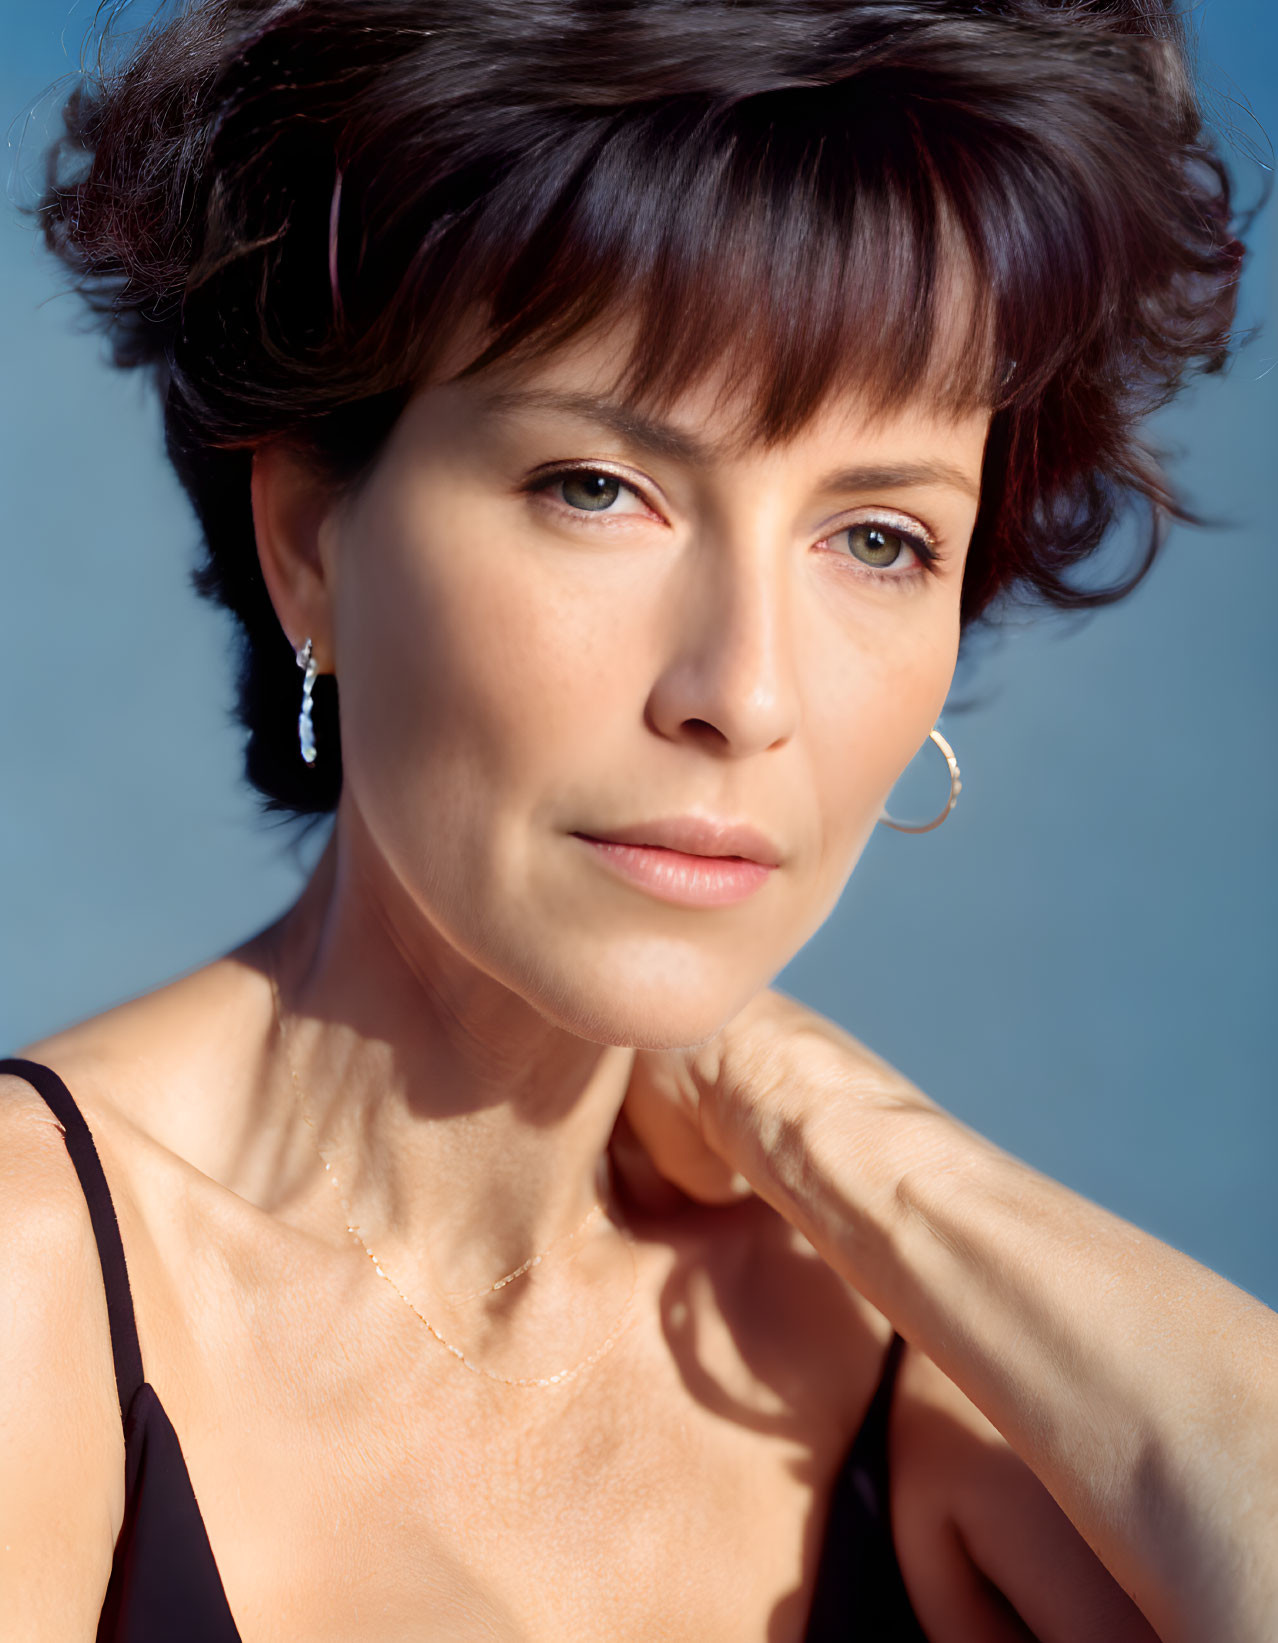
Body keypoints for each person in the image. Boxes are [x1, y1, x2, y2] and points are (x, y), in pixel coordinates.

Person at [3, 1, 1275, 1638]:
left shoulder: (910, 1340)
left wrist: (857, 1149)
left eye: (878, 537)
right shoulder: (40, 1276)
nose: (742, 694)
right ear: (312, 536)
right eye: (598, 488)